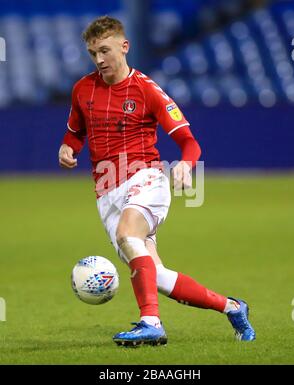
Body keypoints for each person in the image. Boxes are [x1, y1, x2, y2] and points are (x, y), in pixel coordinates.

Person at [58, 16, 256, 346]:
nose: (99, 60)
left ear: (125, 46)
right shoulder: (83, 89)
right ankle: (233, 307)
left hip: (146, 178)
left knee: (127, 233)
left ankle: (151, 322)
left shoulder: (147, 90)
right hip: (106, 193)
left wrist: (185, 165)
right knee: (158, 276)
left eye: (105, 51)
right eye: (93, 53)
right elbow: (75, 132)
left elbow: (190, 142)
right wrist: (67, 147)